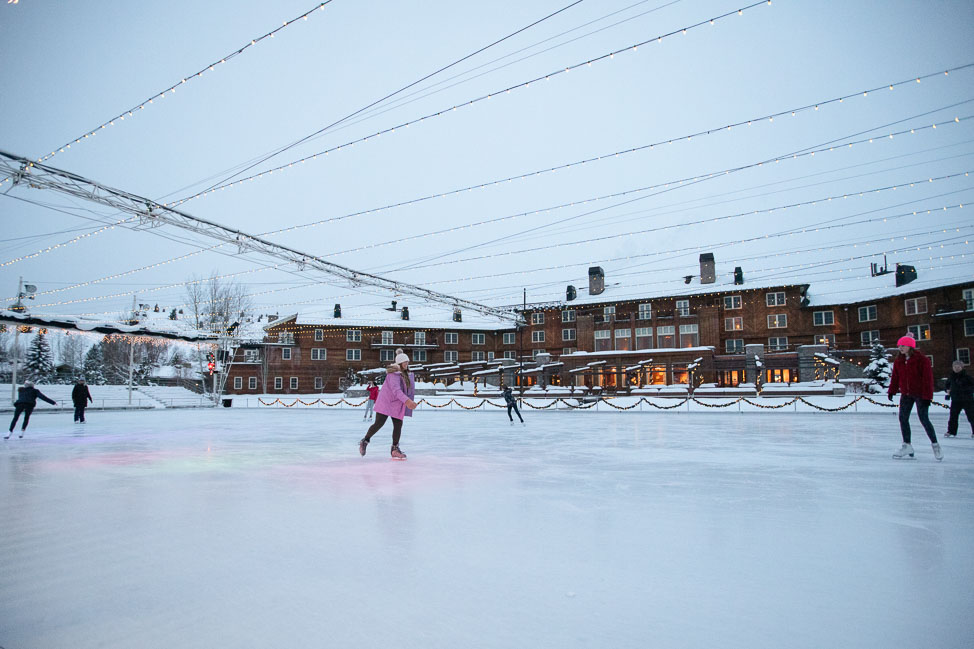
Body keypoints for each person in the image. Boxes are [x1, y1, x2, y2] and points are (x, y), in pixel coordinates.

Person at [888, 336, 942, 461]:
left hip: (920, 394)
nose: (900, 348)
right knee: (903, 418)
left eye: (903, 346)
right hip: (906, 394)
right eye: (899, 346)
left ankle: (935, 444)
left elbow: (927, 379)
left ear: (910, 347)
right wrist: (892, 390)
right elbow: (895, 377)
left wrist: (927, 396)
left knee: (924, 419)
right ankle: (907, 445)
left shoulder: (922, 360)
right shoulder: (898, 361)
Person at [358, 353, 416, 459]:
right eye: (405, 361)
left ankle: (394, 449)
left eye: (407, 361)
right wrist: (408, 401)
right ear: (399, 363)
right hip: (386, 402)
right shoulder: (393, 374)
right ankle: (365, 441)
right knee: (379, 423)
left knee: (398, 425)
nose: (407, 363)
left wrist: (409, 400)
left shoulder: (406, 374)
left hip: (397, 404)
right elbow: (396, 390)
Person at [944, 360, 974, 438]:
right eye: (955, 367)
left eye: (958, 367)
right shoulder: (951, 377)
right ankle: (951, 431)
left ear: (962, 367)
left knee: (971, 416)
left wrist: (965, 389)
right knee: (953, 416)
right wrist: (947, 390)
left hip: (967, 400)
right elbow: (947, 385)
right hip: (956, 400)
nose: (956, 368)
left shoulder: (967, 377)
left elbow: (972, 387)